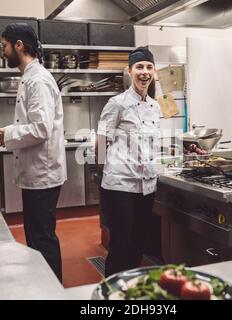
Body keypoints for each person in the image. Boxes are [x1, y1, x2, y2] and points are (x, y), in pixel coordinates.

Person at [0, 23, 67, 282]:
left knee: (42, 238)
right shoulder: (30, 77)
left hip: (43, 175)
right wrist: (10, 132)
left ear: (19, 45)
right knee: (36, 237)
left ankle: (54, 290)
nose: (3, 52)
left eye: (4, 46)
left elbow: (41, 128)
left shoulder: (39, 79)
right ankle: (43, 287)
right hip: (37, 175)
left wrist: (8, 134)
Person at [95, 47, 161, 277]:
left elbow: (150, 144)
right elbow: (101, 142)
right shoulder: (117, 103)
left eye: (149, 67)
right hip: (120, 184)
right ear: (129, 71)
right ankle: (112, 291)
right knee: (121, 244)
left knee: (139, 243)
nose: (145, 72)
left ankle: (131, 289)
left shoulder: (155, 106)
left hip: (146, 184)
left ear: (154, 72)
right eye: (139, 67)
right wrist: (110, 171)